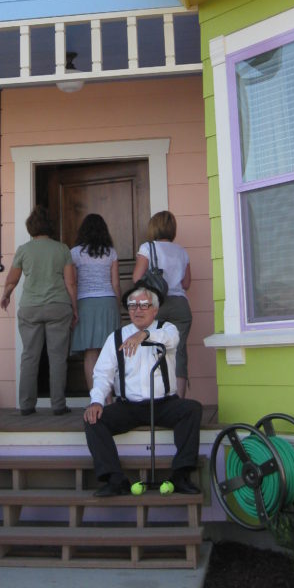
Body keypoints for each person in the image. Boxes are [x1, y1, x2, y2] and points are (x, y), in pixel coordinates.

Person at [83, 279, 202, 496]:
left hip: (164, 404)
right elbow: (102, 374)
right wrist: (97, 401)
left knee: (192, 409)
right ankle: (115, 479)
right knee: (93, 420)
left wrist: (144, 334)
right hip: (129, 406)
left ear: (155, 309)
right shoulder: (116, 337)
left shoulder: (167, 329)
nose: (138, 310)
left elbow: (171, 339)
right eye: (132, 305)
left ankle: (181, 475)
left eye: (144, 305)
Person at [0, 205, 77, 416]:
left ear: (30, 227)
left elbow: (12, 279)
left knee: (29, 357)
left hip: (30, 308)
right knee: (58, 357)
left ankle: (26, 405)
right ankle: (58, 405)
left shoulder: (24, 250)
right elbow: (70, 283)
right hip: (58, 307)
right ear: (49, 227)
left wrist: (5, 295)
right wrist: (75, 308)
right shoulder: (62, 249)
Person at [133, 210, 192, 398]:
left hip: (157, 304)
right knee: (179, 351)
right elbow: (186, 284)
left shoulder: (147, 248)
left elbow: (137, 278)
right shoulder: (182, 251)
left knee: (152, 348)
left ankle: (156, 396)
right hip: (181, 305)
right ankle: (180, 399)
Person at [69, 213, 121, 391]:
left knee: (90, 353)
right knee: (109, 352)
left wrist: (73, 307)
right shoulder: (111, 252)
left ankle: (96, 398)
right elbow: (115, 283)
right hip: (108, 303)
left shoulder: (74, 253)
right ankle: (108, 396)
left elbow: (72, 283)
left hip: (85, 304)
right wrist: (119, 305)